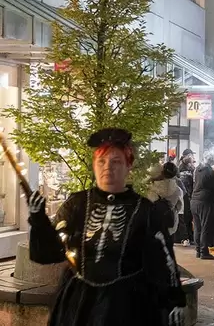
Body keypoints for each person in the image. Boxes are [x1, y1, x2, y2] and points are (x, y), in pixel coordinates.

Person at [28, 128, 186, 326]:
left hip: (128, 305)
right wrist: (38, 221)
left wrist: (175, 299)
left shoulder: (144, 211)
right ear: (94, 165)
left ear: (129, 167)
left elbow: (163, 260)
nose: (107, 167)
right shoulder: (76, 204)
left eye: (116, 161)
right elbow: (48, 253)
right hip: (79, 304)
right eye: (101, 161)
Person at [191, 152, 214, 260]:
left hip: (194, 201)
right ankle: (204, 252)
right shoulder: (212, 173)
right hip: (206, 202)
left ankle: (198, 251)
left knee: (197, 227)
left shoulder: (197, 171)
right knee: (206, 227)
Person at [147, 161, 184, 240]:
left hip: (152, 223)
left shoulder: (150, 187)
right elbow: (179, 206)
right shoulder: (177, 189)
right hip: (169, 223)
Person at [176, 150, 195, 245]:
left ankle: (190, 236)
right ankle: (185, 237)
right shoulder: (181, 168)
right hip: (184, 195)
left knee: (188, 217)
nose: (192, 158)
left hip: (188, 195)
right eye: (191, 156)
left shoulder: (190, 167)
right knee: (185, 216)